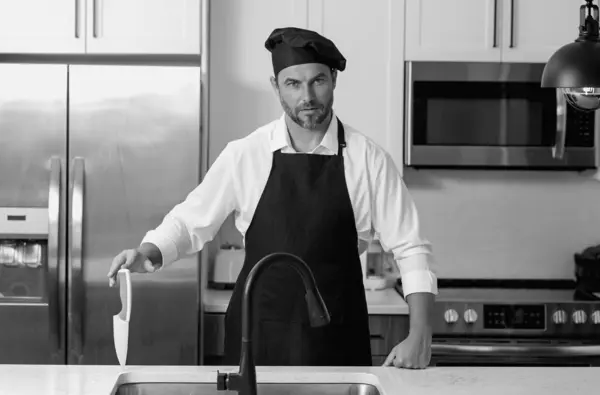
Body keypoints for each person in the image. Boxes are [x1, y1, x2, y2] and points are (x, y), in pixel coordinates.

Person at [107, 26, 438, 369]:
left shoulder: (369, 160)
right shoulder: (245, 154)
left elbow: (410, 247)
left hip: (337, 341)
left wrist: (420, 332)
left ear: (334, 80)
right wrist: (148, 252)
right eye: (293, 84)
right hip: (257, 339)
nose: (306, 96)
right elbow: (190, 221)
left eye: (318, 81)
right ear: (276, 86)